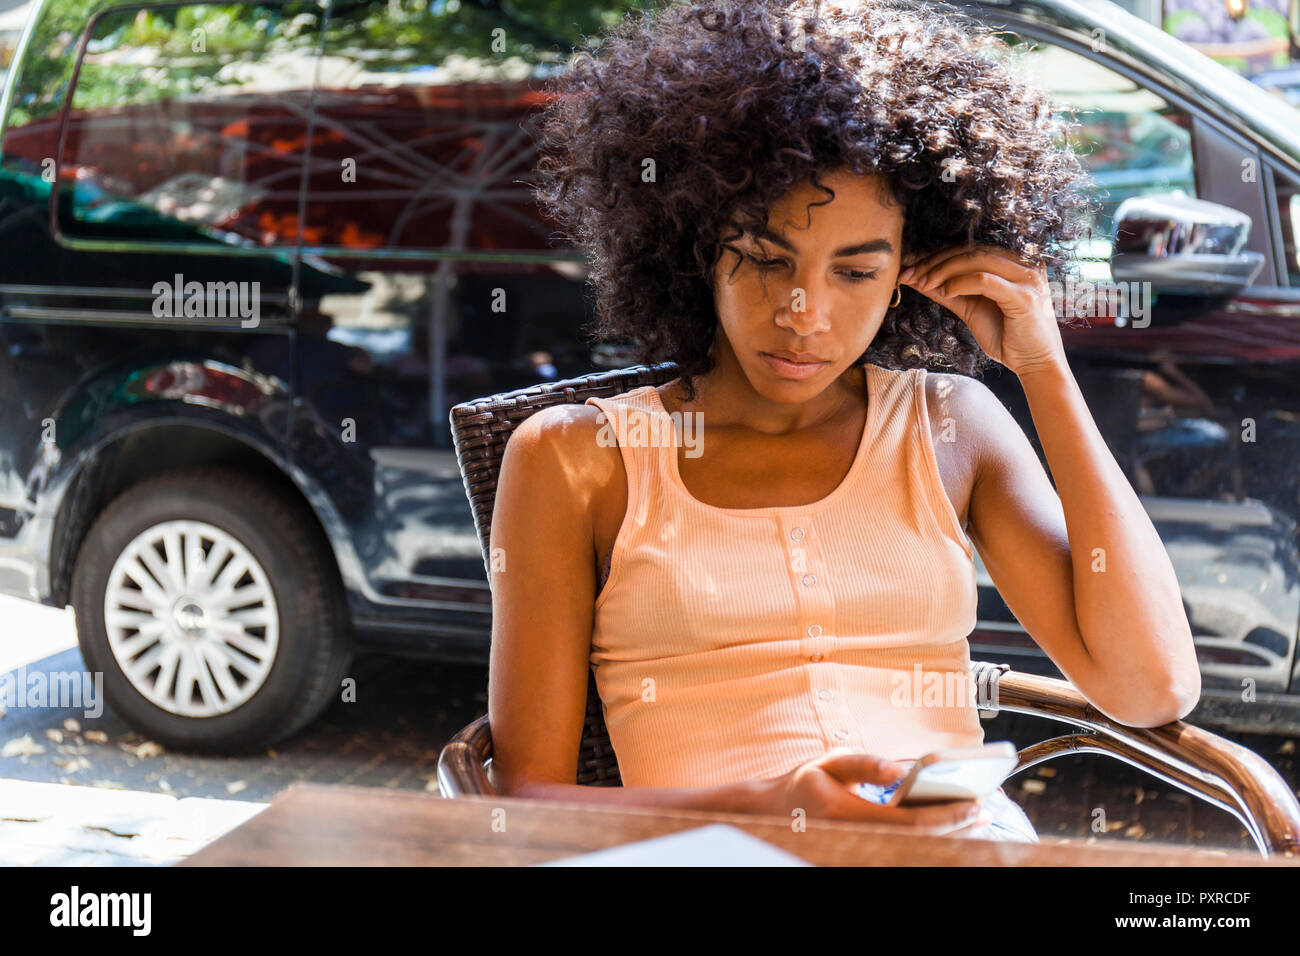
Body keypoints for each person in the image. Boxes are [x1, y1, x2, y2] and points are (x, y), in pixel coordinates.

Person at [485, 0, 1201, 841]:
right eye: (764, 259)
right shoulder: (580, 459)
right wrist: (767, 810)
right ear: (694, 245)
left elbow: (1150, 687)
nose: (805, 314)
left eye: (855, 272)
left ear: (910, 271)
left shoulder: (951, 428)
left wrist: (1044, 371)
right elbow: (521, 808)